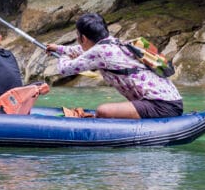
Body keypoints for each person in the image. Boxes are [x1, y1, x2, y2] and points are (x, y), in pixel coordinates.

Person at [46, 13, 182, 119]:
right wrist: (58, 48)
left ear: (83, 38)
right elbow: (84, 51)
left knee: (103, 111)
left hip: (161, 105)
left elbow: (64, 69)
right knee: (105, 110)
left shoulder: (100, 51)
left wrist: (63, 56)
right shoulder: (113, 43)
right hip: (171, 101)